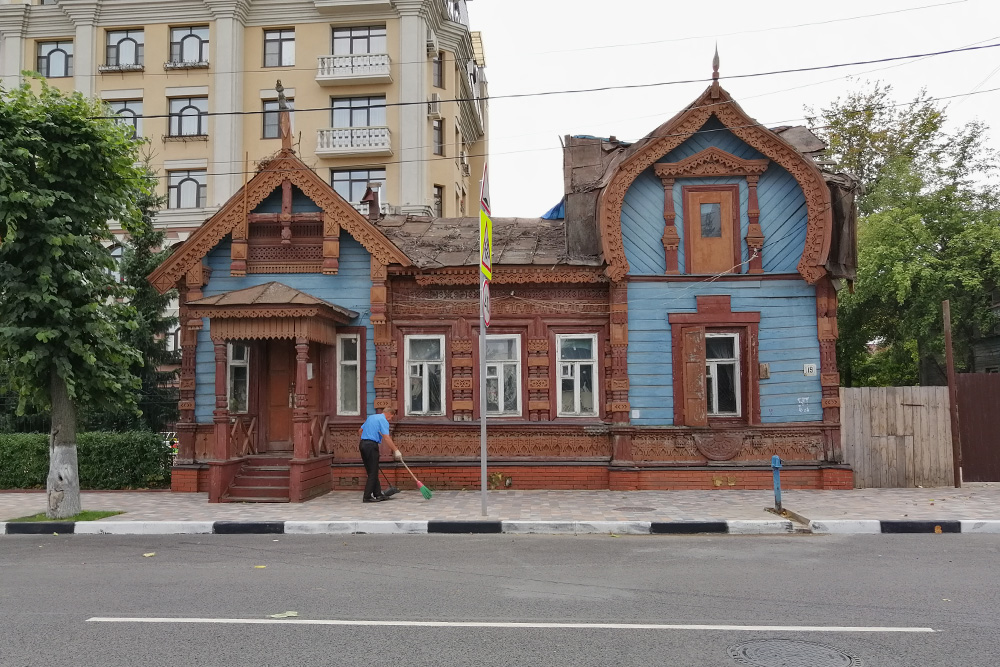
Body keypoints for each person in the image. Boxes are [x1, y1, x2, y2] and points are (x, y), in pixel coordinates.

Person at [358, 407, 401, 503]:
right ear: (389, 413)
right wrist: (396, 450)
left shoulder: (371, 417)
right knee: (373, 472)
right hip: (371, 446)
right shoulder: (383, 420)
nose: (390, 419)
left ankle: (378, 494)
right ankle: (367, 496)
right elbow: (386, 437)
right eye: (391, 417)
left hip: (363, 445)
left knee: (372, 470)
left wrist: (365, 440)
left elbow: (360, 431)